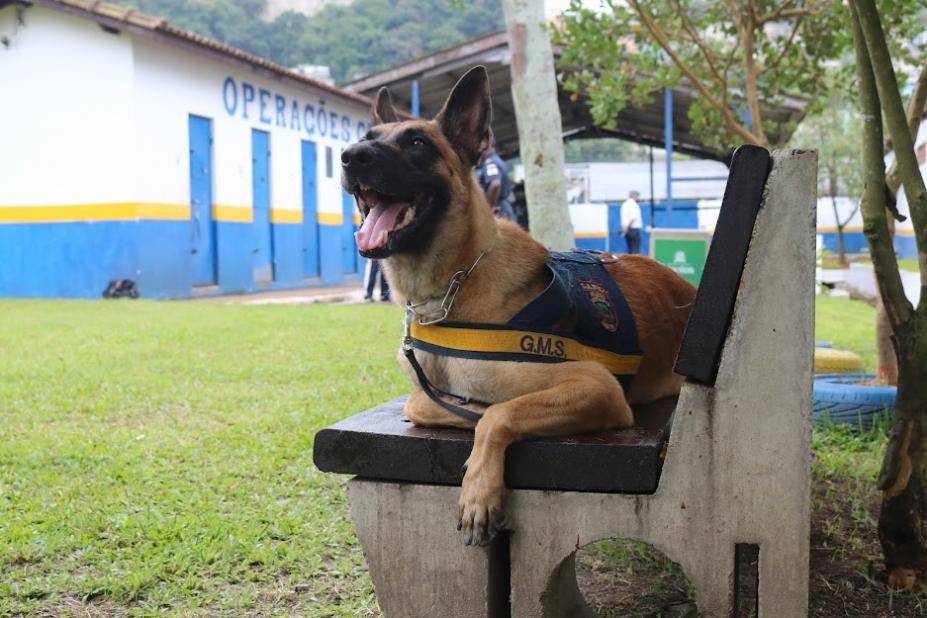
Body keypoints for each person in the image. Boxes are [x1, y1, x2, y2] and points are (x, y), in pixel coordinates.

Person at [478, 143, 516, 221]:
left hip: (498, 209)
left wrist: (489, 207)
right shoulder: (497, 160)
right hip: (503, 207)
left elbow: (495, 184)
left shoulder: (490, 162)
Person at [621, 190, 643, 254]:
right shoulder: (634, 205)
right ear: (634, 196)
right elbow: (633, 218)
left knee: (630, 251)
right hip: (633, 230)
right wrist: (627, 228)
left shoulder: (624, 204)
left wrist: (625, 229)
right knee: (636, 251)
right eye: (638, 196)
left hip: (627, 231)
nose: (638, 198)